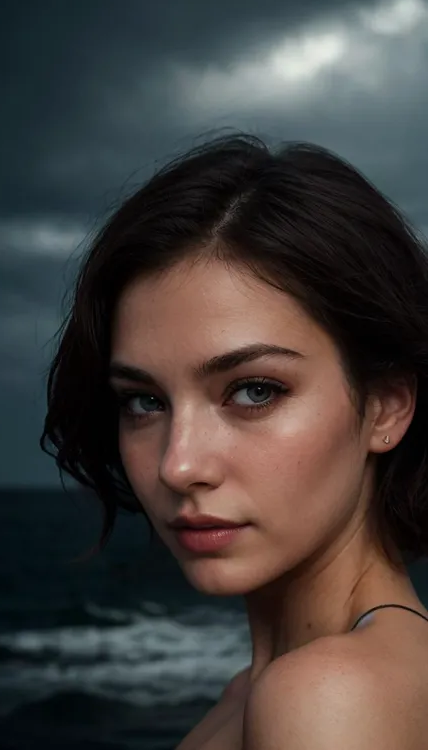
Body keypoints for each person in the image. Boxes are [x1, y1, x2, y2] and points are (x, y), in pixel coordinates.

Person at [40, 132, 428, 749]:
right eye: (144, 401)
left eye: (253, 391)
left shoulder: (331, 697)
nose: (179, 464)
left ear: (387, 405)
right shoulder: (257, 691)